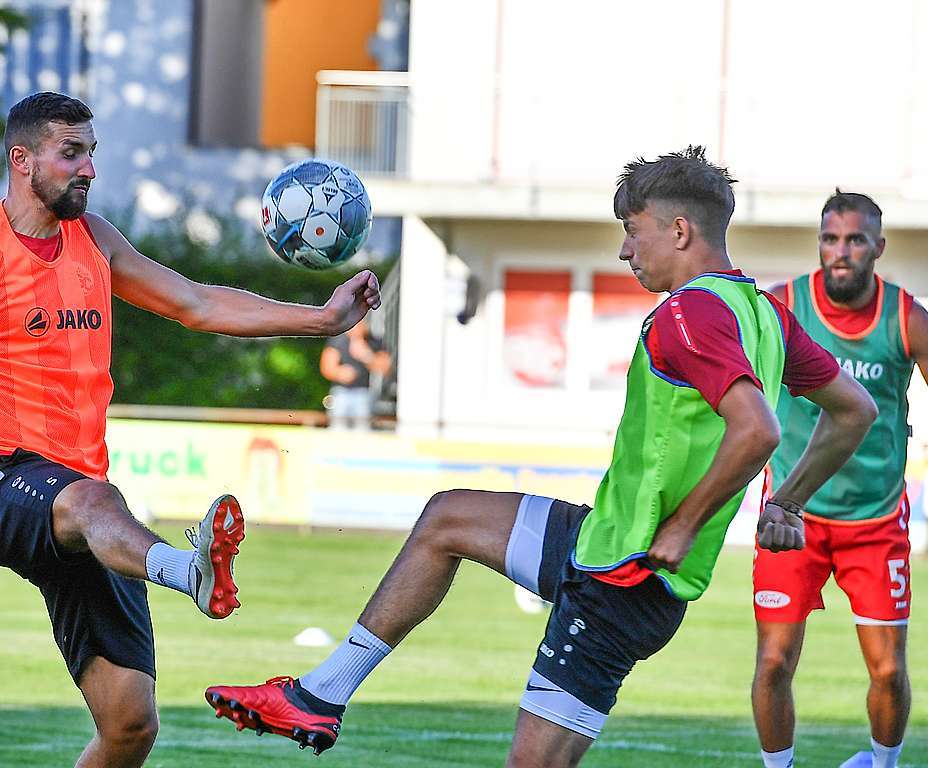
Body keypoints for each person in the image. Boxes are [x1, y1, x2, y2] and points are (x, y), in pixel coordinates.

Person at [204, 147, 877, 765]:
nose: (623, 250)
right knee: (447, 519)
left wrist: (684, 524)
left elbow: (756, 430)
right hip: (604, 544)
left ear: (678, 232)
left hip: (624, 580)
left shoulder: (688, 314)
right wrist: (784, 501)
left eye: (632, 229)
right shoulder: (764, 312)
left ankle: (321, 697)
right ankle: (320, 696)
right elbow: (855, 410)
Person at [0, 91, 380, 768]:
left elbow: (196, 302)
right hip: (0, 481)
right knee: (97, 502)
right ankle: (189, 570)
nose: (89, 168)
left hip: (84, 504)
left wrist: (323, 320)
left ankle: (174, 570)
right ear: (21, 159)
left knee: (130, 725)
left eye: (92, 153)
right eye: (71, 152)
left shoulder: (95, 240)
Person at [751, 190, 928, 768]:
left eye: (855, 240)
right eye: (830, 239)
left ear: (878, 246)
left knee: (888, 670)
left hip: (875, 520)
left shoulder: (907, 318)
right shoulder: (781, 308)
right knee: (773, 662)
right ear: (819, 245)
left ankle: (884, 764)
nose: (841, 251)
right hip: (790, 517)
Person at [319, 316, 391, 430]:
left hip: (364, 393)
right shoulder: (338, 341)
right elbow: (326, 367)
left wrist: (367, 356)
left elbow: (386, 368)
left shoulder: (373, 341)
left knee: (362, 429)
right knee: (338, 428)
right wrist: (340, 373)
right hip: (340, 393)